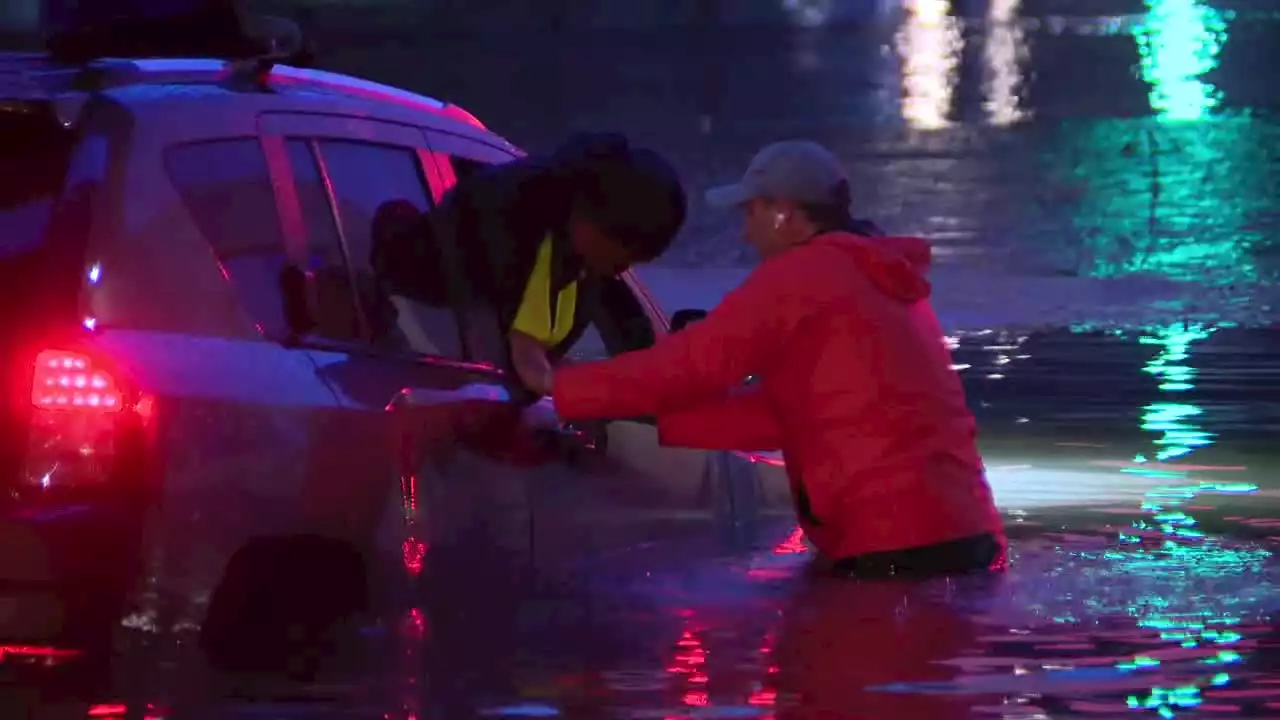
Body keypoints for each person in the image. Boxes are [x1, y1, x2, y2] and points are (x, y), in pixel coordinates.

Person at [536, 139, 1006, 578]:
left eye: (751, 212)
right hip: (968, 535)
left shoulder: (801, 275)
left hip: (887, 545)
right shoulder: (883, 280)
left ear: (784, 214)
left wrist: (557, 387)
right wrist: (645, 422)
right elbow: (786, 415)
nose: (744, 231)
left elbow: (689, 365)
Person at [424, 132, 687, 394]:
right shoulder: (498, 233)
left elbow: (631, 331)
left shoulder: (579, 257)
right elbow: (512, 356)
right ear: (599, 222)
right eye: (627, 255)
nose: (624, 268)